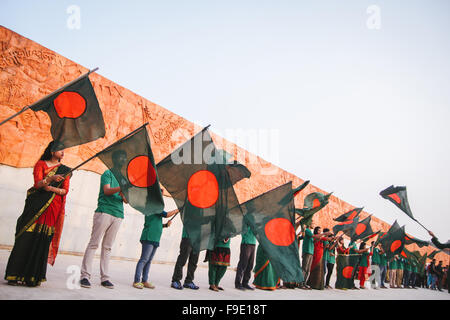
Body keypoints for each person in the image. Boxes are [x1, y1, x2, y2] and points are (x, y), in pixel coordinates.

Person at [5, 141, 71, 287]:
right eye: (60, 149)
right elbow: (37, 184)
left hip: (52, 208)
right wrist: (50, 179)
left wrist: (52, 189)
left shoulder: (65, 170)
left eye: (63, 150)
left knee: (42, 240)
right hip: (35, 206)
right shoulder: (41, 164)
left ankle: (32, 277)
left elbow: (65, 190)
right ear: (52, 151)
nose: (62, 152)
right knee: (25, 236)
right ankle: (14, 275)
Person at [80, 149, 128, 289]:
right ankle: (85, 276)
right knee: (94, 244)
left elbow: (126, 200)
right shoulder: (107, 173)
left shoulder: (124, 178)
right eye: (121, 156)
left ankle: (105, 278)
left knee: (107, 247)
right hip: (104, 212)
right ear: (114, 159)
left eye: (124, 157)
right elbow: (107, 191)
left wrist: (126, 192)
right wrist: (121, 187)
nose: (123, 160)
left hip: (118, 214)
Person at [132, 202, 179, 289]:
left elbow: (156, 224)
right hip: (148, 237)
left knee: (148, 260)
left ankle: (144, 281)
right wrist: (177, 209)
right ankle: (136, 281)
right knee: (144, 259)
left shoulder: (157, 209)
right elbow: (167, 214)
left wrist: (165, 225)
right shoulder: (153, 206)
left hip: (155, 239)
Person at [235, 222, 257, 290]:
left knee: (250, 265)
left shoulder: (254, 222)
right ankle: (238, 283)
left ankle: (245, 283)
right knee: (243, 264)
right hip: (246, 243)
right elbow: (244, 231)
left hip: (253, 243)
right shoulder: (245, 220)